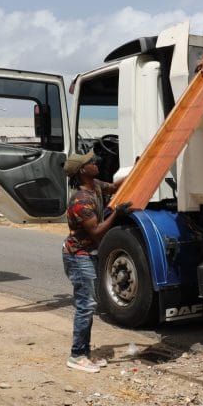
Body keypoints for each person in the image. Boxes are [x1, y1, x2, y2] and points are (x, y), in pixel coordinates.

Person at [62, 150, 130, 373]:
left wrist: (138, 169)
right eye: (91, 162)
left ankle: (84, 353)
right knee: (85, 306)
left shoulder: (95, 186)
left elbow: (113, 187)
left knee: (88, 305)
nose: (95, 162)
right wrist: (116, 214)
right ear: (83, 171)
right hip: (78, 256)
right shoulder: (81, 201)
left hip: (86, 254)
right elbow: (98, 233)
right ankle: (76, 355)